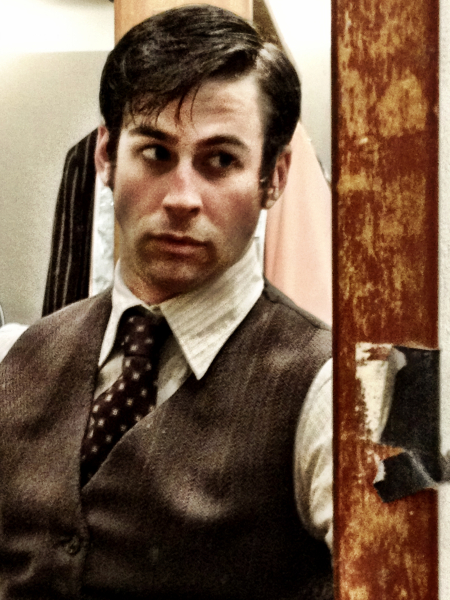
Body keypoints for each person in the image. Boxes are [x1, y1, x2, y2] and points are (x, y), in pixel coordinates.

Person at [0, 5, 333, 599]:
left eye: (220, 161)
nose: (182, 197)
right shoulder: (19, 359)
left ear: (275, 177)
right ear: (106, 155)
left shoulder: (324, 388)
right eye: (155, 153)